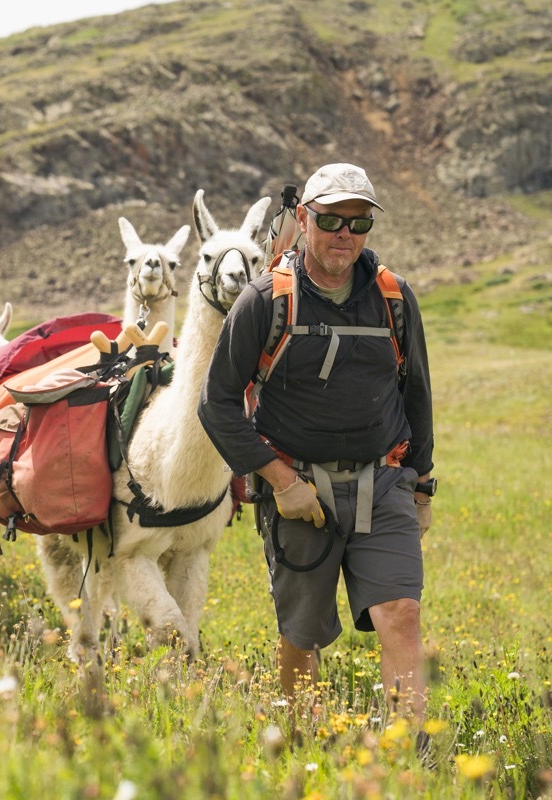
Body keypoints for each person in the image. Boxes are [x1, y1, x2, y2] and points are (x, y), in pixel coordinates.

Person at [198, 163, 435, 722]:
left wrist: (421, 486)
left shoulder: (394, 299)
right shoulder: (263, 302)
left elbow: (416, 395)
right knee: (301, 632)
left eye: (358, 223)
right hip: (299, 488)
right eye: (330, 219)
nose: (343, 235)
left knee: (401, 612)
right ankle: (299, 737)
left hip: (385, 482)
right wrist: (282, 483)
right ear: (303, 218)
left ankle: (411, 748)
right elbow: (217, 403)